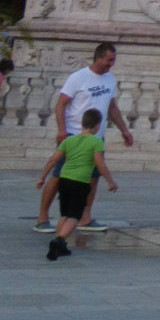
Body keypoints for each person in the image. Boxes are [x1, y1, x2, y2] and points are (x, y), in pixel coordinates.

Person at [35, 44, 132, 231]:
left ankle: (84, 217)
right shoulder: (78, 78)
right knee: (58, 175)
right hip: (73, 133)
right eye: (108, 60)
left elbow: (112, 107)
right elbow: (61, 104)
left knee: (93, 177)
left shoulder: (110, 79)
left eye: (113, 60)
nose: (111, 64)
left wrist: (124, 130)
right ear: (98, 57)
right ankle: (41, 217)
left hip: (96, 137)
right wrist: (61, 130)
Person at [40, 107, 115, 260]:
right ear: (97, 125)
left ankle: (61, 244)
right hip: (80, 181)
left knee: (64, 214)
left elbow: (53, 159)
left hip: (64, 180)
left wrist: (41, 177)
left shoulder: (68, 140)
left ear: (82, 123)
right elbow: (100, 165)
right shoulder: (96, 142)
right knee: (74, 216)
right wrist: (110, 181)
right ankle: (59, 241)